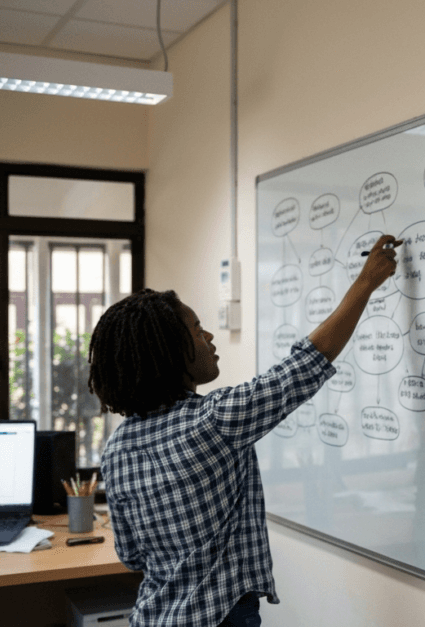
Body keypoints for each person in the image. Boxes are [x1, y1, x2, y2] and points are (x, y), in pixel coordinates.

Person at [89, 234, 402, 627]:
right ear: (167, 352)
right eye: (197, 330)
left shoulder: (117, 447)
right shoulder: (212, 422)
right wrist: (366, 282)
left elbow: (132, 556)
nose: (209, 337)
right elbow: (304, 367)